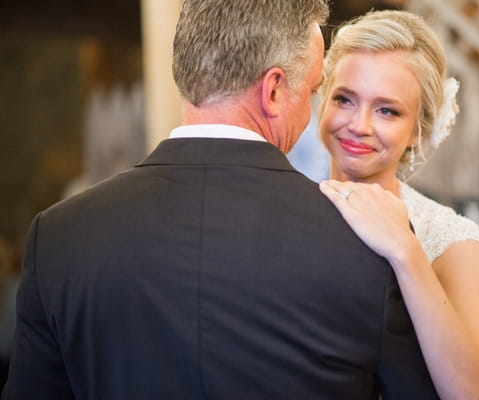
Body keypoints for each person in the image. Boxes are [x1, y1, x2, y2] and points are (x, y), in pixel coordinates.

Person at [3, 2, 439, 399]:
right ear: (272, 92)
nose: (312, 113)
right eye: (311, 92)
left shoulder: (60, 236)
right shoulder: (367, 240)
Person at [318, 10, 479, 400]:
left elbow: (471, 392)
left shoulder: (450, 240)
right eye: (344, 99)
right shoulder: (286, 209)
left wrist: (404, 248)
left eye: (387, 110)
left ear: (420, 130)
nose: (359, 125)